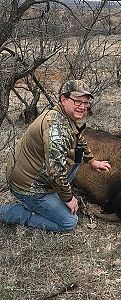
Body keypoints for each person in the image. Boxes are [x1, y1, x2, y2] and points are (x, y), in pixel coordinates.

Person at [0, 79, 111, 232]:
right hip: (29, 187)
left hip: (34, 174)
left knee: (77, 158)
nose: (82, 107)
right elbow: (56, 172)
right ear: (63, 100)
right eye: (78, 101)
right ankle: (10, 212)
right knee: (69, 222)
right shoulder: (55, 129)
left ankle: (51, 200)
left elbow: (78, 137)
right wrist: (69, 198)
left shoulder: (63, 115)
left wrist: (92, 161)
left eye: (85, 103)